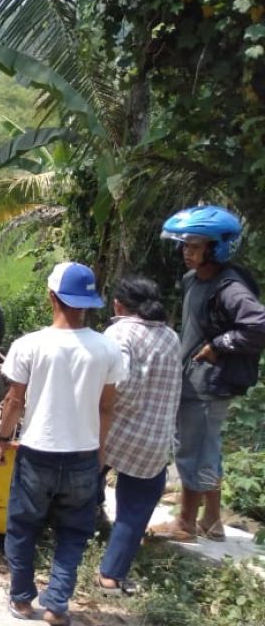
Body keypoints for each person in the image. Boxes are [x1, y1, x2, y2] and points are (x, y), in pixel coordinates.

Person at [0, 262, 123, 625]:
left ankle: (20, 601)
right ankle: (56, 605)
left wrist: (1, 441)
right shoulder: (107, 350)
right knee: (73, 532)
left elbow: (14, 401)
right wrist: (100, 454)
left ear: (51, 297)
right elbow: (106, 408)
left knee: (22, 528)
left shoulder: (29, 345)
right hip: (82, 456)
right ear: (89, 302)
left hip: (37, 454)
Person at [150, 205, 265, 541]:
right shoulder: (193, 280)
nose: (187, 252)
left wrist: (219, 345)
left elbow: (258, 325)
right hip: (194, 378)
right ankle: (212, 521)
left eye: (196, 246)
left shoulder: (229, 287)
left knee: (192, 449)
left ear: (217, 248)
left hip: (208, 384)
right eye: (185, 245)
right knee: (206, 448)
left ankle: (185, 522)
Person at [96, 276, 181, 595]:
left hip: (113, 430)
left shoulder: (119, 332)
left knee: (84, 483)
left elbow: (118, 384)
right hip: (154, 439)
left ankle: (67, 545)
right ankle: (111, 577)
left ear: (118, 305)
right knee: (135, 507)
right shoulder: (171, 336)